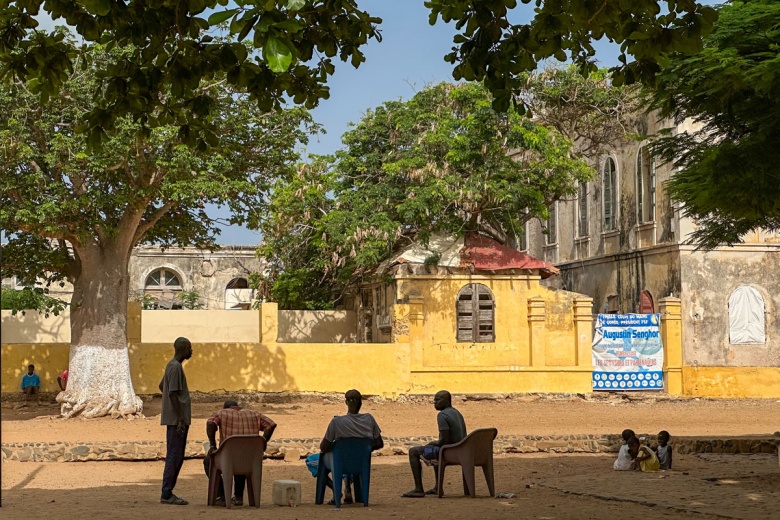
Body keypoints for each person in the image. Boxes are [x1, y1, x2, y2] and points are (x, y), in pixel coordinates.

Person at [204, 399, 277, 507]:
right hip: (250, 460)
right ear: (237, 407)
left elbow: (210, 423)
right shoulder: (254, 414)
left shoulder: (221, 413)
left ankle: (222, 496)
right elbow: (271, 425)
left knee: (209, 461)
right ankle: (238, 497)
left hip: (228, 458)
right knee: (242, 455)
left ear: (226, 408)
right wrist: (262, 443)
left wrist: (212, 445)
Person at [318, 389, 384, 506]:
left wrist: (334, 446)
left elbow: (323, 447)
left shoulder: (336, 422)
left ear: (346, 402)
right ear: (361, 403)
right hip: (361, 462)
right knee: (350, 460)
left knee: (316, 461)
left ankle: (336, 490)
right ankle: (348, 483)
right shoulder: (369, 419)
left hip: (339, 461)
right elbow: (379, 443)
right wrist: (365, 448)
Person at [402, 390, 467, 498]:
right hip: (461, 449)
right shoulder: (456, 413)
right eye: (434, 400)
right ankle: (437, 487)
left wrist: (432, 443)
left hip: (449, 451)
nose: (435, 402)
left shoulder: (442, 415)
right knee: (434, 448)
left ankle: (418, 489)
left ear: (446, 401)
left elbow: (444, 441)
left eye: (438, 400)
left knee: (413, 451)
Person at [159, 337, 193, 505]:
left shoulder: (172, 367)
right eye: (190, 348)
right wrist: (179, 417)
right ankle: (166, 493)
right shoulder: (175, 367)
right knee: (174, 456)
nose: (191, 351)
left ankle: (167, 491)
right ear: (184, 349)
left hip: (175, 418)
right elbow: (172, 393)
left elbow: (162, 386)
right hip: (176, 421)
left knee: (177, 455)